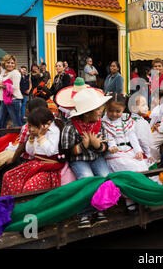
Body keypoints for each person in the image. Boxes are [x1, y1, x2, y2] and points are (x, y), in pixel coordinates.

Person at [60, 87, 112, 228]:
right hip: (79, 160)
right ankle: (85, 213)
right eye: (97, 109)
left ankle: (101, 208)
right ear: (87, 113)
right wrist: (83, 145)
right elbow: (67, 151)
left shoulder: (99, 125)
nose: (101, 111)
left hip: (96, 157)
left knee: (105, 176)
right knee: (86, 178)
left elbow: (105, 147)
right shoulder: (70, 127)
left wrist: (97, 145)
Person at [103, 93, 151, 212]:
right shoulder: (104, 122)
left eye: (118, 111)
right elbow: (108, 137)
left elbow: (132, 135)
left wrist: (138, 150)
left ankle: (142, 198)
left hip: (127, 150)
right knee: (126, 170)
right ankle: (130, 202)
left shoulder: (126, 119)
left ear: (124, 109)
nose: (114, 114)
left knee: (141, 165)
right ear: (106, 108)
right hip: (115, 153)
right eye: (111, 111)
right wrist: (112, 146)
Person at [0, 107, 63, 196]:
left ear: (47, 124)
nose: (32, 129)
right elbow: (30, 152)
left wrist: (41, 137)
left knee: (29, 188)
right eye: (30, 126)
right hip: (36, 163)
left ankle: (29, 207)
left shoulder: (54, 131)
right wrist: (32, 138)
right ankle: (14, 203)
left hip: (49, 167)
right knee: (8, 176)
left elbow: (50, 151)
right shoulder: (36, 131)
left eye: (34, 126)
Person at [0, 98, 49, 192]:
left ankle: (8, 194)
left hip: (29, 160)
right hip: (44, 160)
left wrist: (13, 159)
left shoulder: (27, 127)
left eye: (27, 108)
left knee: (6, 174)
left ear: (31, 112)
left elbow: (21, 148)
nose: (25, 110)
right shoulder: (50, 124)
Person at [0, 55, 23, 129]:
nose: (10, 64)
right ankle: (1, 139)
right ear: (4, 63)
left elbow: (16, 87)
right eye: (8, 62)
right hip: (4, 100)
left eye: (12, 63)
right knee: (0, 122)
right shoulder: (3, 72)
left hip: (13, 100)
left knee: (16, 123)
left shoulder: (15, 73)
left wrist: (3, 85)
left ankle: (21, 139)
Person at [129, 93, 153, 162]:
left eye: (146, 105)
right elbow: (143, 140)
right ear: (134, 108)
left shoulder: (132, 120)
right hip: (143, 153)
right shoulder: (139, 122)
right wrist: (149, 154)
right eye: (143, 105)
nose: (147, 107)